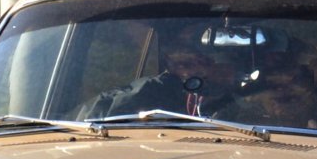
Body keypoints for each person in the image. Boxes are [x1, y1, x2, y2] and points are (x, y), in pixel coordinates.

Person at [75, 22, 229, 120]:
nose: (202, 69)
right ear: (176, 68)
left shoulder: (232, 97)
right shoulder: (151, 91)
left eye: (207, 62)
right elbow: (96, 123)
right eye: (189, 63)